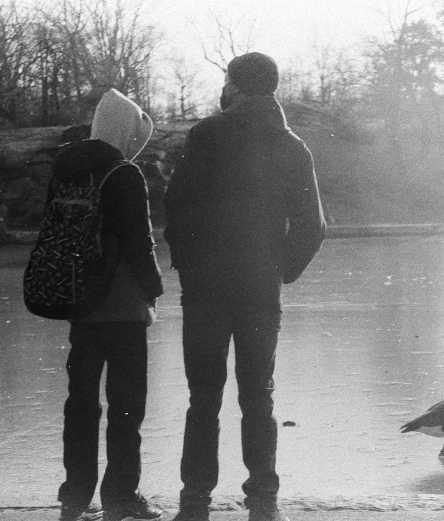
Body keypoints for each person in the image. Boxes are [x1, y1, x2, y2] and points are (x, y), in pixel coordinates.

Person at [164, 52, 326, 521]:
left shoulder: (207, 134)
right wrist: (281, 270)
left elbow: (177, 204)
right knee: (258, 392)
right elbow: (313, 227)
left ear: (235, 85)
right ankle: (262, 495)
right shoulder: (294, 146)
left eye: (226, 81)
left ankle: (195, 498)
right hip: (259, 287)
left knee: (203, 394)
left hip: (207, 287)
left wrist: (191, 265)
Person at [55, 89, 164, 521]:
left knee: (79, 404)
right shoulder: (124, 173)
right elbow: (141, 243)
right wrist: (154, 289)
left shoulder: (67, 168)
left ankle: (74, 497)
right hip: (122, 309)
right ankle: (120, 496)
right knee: (125, 407)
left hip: (81, 303)